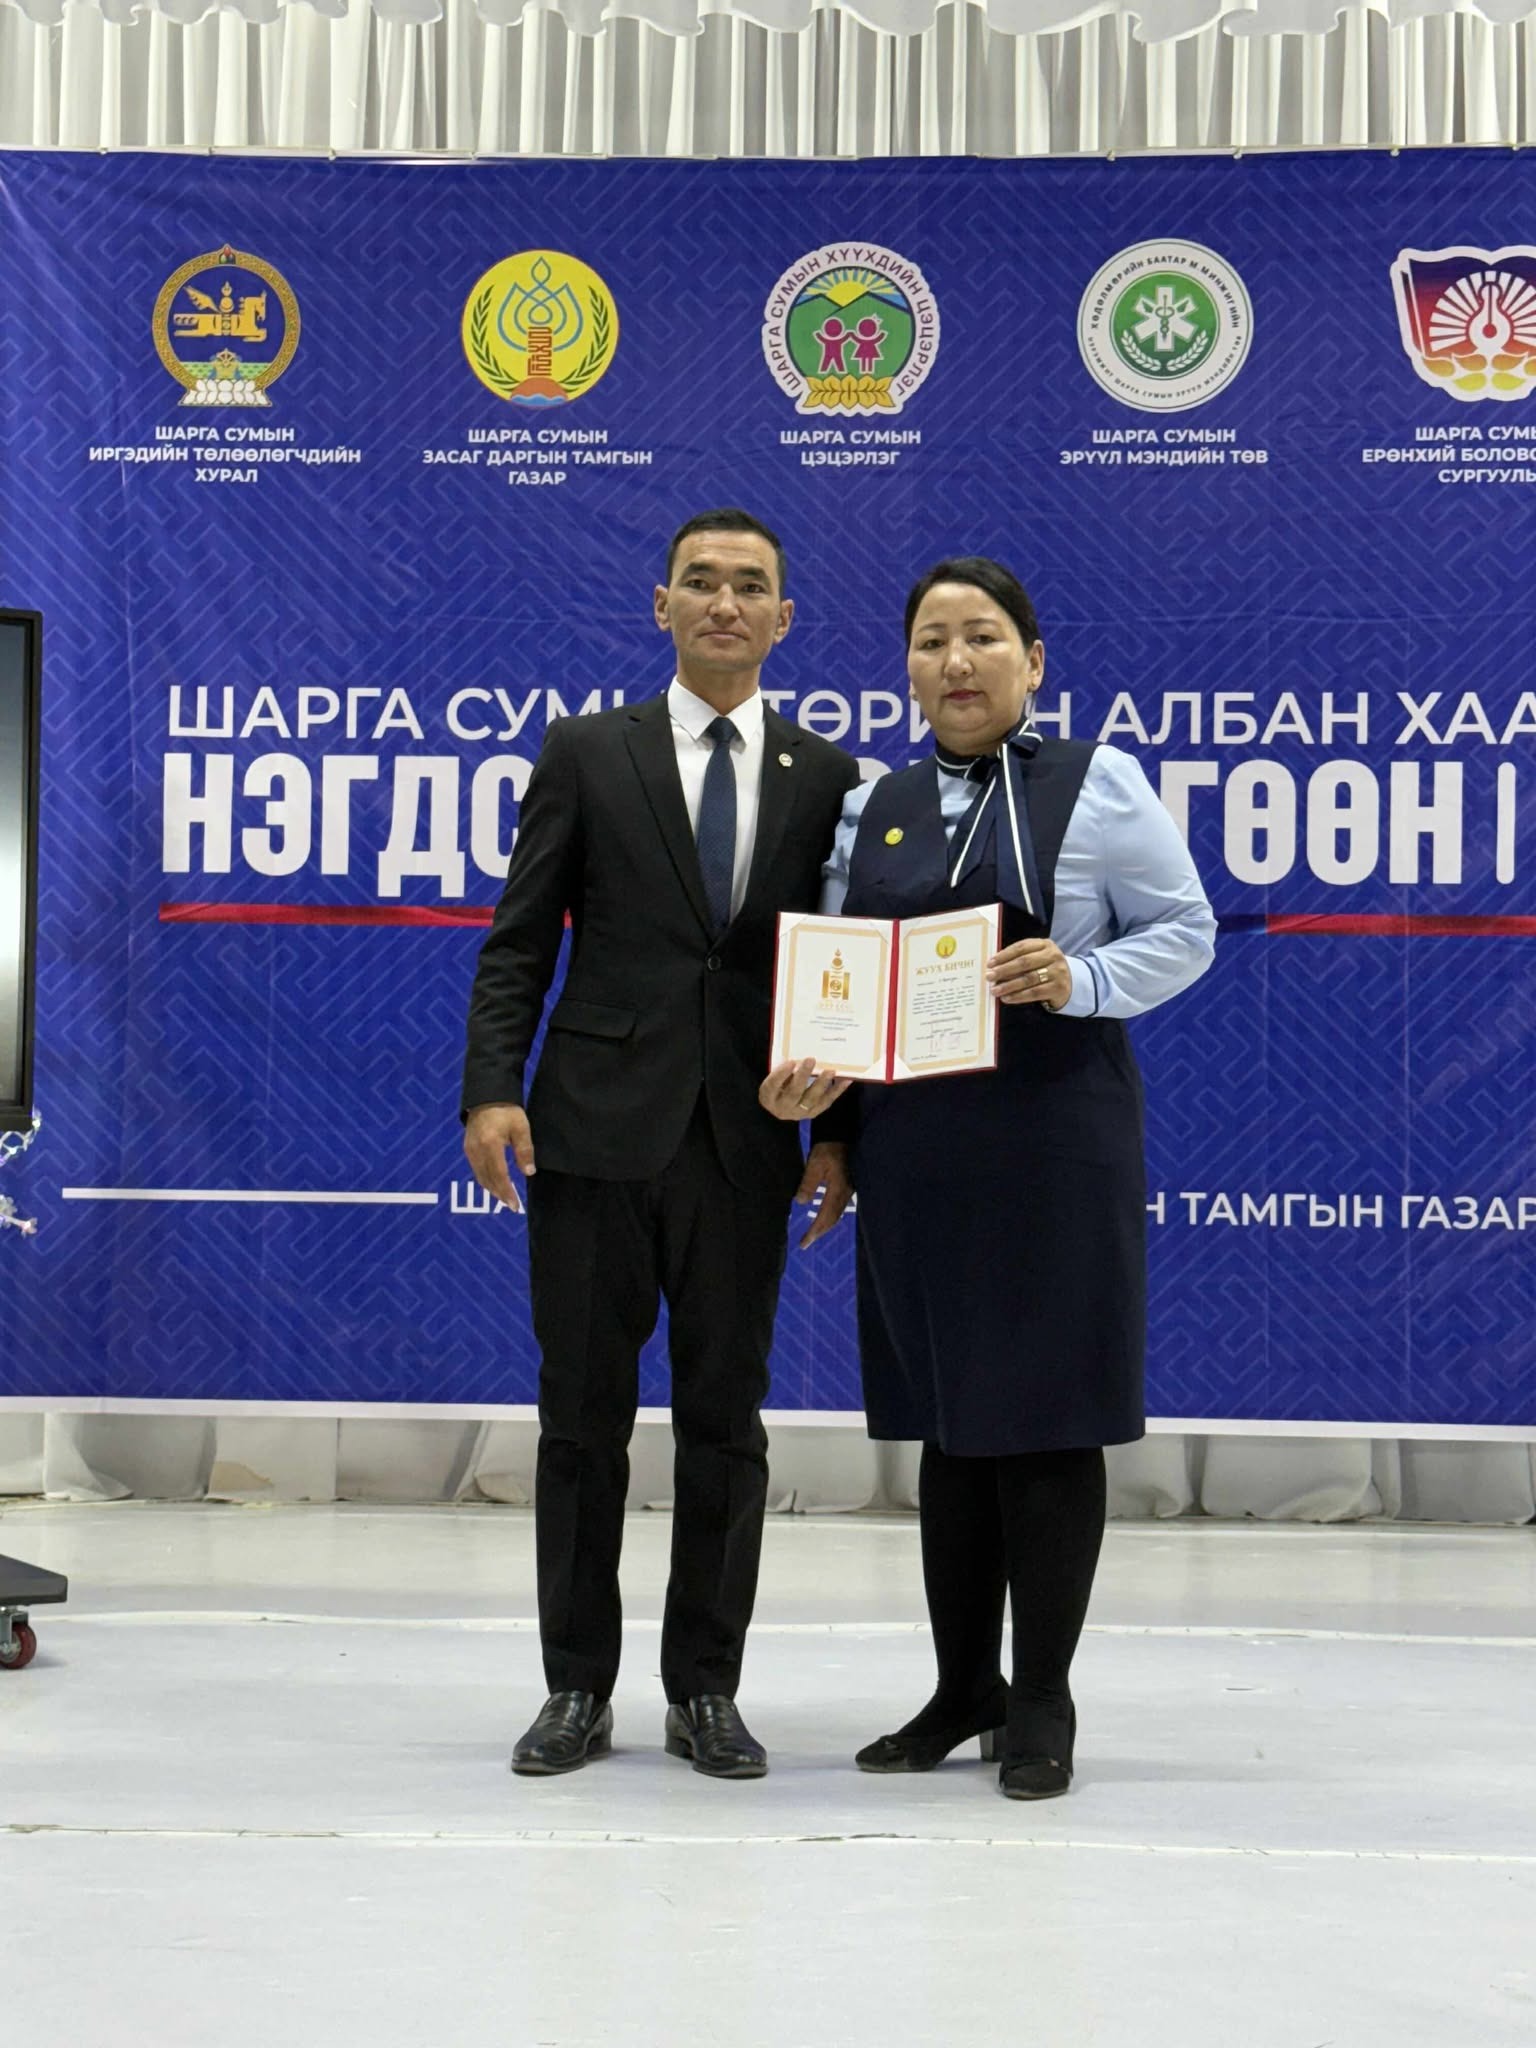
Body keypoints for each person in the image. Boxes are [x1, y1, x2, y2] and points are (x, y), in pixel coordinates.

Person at [761, 556, 1216, 1800]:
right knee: (951, 1423)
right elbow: (843, 981)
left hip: (1056, 1132)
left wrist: (1082, 976)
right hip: (918, 1149)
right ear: (907, 667)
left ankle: (1044, 1696)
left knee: (1049, 1418)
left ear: (1033, 659)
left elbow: (1186, 927)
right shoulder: (876, 803)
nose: (955, 661)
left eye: (982, 637)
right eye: (930, 641)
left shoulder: (1097, 780)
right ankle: (964, 1684)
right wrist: (828, 1125)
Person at [462, 509, 861, 1781]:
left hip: (748, 1143)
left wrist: (839, 1135)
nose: (724, 602)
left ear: (783, 618)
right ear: (662, 605)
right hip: (590, 1132)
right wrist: (490, 1088)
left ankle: (706, 1690)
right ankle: (575, 1685)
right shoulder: (588, 750)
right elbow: (521, 937)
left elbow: (844, 976)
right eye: (701, 581)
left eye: (750, 586)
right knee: (581, 1421)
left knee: (725, 1428)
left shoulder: (829, 776)